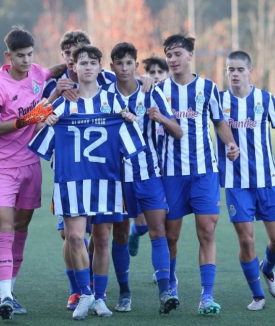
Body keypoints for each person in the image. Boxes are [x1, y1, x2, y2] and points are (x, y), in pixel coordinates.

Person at [43, 44, 138, 320]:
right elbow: (31, 122)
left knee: (102, 238)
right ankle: (84, 292)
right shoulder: (63, 100)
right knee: (74, 236)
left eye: (92, 63)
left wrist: (131, 119)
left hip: (105, 180)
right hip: (70, 180)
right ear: (73, 66)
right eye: (81, 62)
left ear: (99, 68)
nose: (87, 67)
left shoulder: (114, 100)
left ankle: (100, 297)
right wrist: (46, 114)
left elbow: (133, 136)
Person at [0, 26, 65, 321]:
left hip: (31, 166)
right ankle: (4, 294)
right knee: (5, 228)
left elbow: (52, 70)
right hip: (2, 168)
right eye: (21, 56)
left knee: (21, 229)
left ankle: (10, 292)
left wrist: (76, 58)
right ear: (8, 56)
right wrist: (25, 120)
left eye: (31, 55)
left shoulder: (36, 74)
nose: (27, 60)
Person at [156, 33, 239, 315]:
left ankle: (206, 296)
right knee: (171, 236)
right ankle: (171, 284)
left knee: (207, 231)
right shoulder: (159, 90)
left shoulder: (208, 88)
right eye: (168, 55)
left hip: (205, 173)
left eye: (177, 53)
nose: (172, 59)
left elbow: (219, 121)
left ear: (191, 55)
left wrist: (230, 143)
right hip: (172, 174)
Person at [103, 42, 183, 314]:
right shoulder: (104, 96)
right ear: (112, 66)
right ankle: (124, 292)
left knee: (157, 230)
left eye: (129, 63)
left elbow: (178, 131)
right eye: (119, 63)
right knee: (121, 233)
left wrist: (160, 118)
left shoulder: (152, 93)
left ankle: (165, 293)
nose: (124, 68)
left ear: (136, 66)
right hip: (117, 177)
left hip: (149, 174)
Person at [219, 51, 275, 311]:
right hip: (236, 183)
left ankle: (268, 268)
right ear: (226, 72)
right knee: (247, 241)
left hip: (268, 181)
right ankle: (258, 295)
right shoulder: (218, 101)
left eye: (240, 69)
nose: (235, 73)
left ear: (250, 72)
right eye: (231, 69)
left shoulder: (265, 98)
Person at [128, 55, 171, 260]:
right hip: (146, 167)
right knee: (144, 225)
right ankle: (135, 233)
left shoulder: (172, 95)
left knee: (167, 226)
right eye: (151, 72)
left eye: (160, 72)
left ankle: (167, 274)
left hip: (170, 169)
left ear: (167, 74)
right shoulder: (143, 94)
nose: (156, 76)